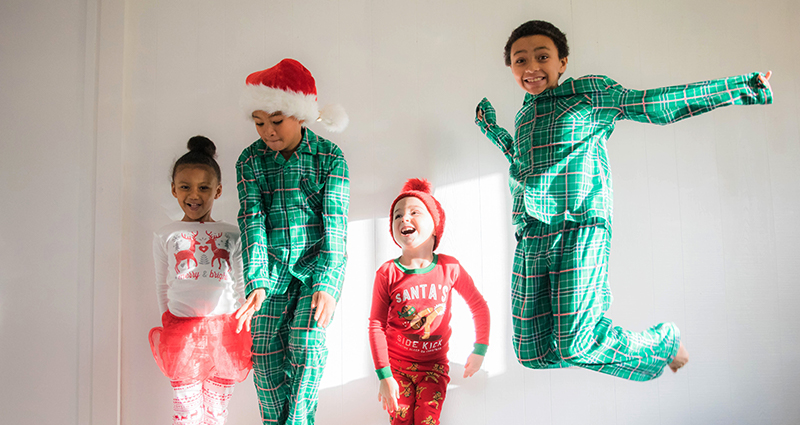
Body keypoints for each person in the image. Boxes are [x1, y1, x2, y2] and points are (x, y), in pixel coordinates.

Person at [474, 20, 773, 381]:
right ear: (511, 67)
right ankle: (597, 343)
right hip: (533, 234)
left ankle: (664, 342)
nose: (532, 67)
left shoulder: (588, 95)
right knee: (532, 353)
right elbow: (522, 164)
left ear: (562, 62)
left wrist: (740, 88)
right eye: (521, 61)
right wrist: (493, 129)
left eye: (542, 57)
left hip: (579, 226)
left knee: (576, 344)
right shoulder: (525, 116)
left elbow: (651, 103)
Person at [233, 58, 350, 425]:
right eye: (259, 122)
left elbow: (336, 228)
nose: (267, 131)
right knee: (264, 354)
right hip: (270, 276)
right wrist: (256, 283)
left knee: (306, 344)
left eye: (276, 121)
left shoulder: (330, 159)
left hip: (314, 272)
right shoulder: (250, 161)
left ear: (300, 115)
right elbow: (252, 221)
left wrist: (328, 285)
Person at [368, 178, 490, 425]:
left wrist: (480, 349)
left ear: (436, 226)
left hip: (433, 368)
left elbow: (478, 305)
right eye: (397, 215)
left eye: (415, 212)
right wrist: (384, 375)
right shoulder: (387, 273)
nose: (404, 218)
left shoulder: (449, 267)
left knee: (426, 421)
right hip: (397, 367)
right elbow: (375, 325)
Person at [149, 136, 251, 425]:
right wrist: (168, 320)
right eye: (185, 187)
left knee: (217, 412)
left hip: (225, 333)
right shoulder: (165, 234)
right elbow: (162, 284)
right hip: (182, 334)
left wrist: (245, 323)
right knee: (186, 410)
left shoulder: (232, 233)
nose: (194, 195)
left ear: (217, 191)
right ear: (174, 189)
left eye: (204, 187)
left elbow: (242, 280)